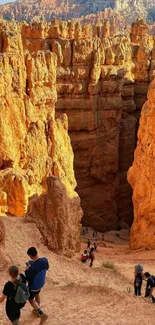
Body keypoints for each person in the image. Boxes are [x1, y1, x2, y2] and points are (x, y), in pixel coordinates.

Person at [25, 247, 49, 323]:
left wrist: (27, 269)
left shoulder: (31, 268)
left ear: (30, 256)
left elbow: (28, 279)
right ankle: (37, 307)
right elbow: (47, 267)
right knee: (37, 294)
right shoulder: (44, 260)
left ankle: (41, 313)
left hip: (34, 286)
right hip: (41, 283)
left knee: (30, 299)